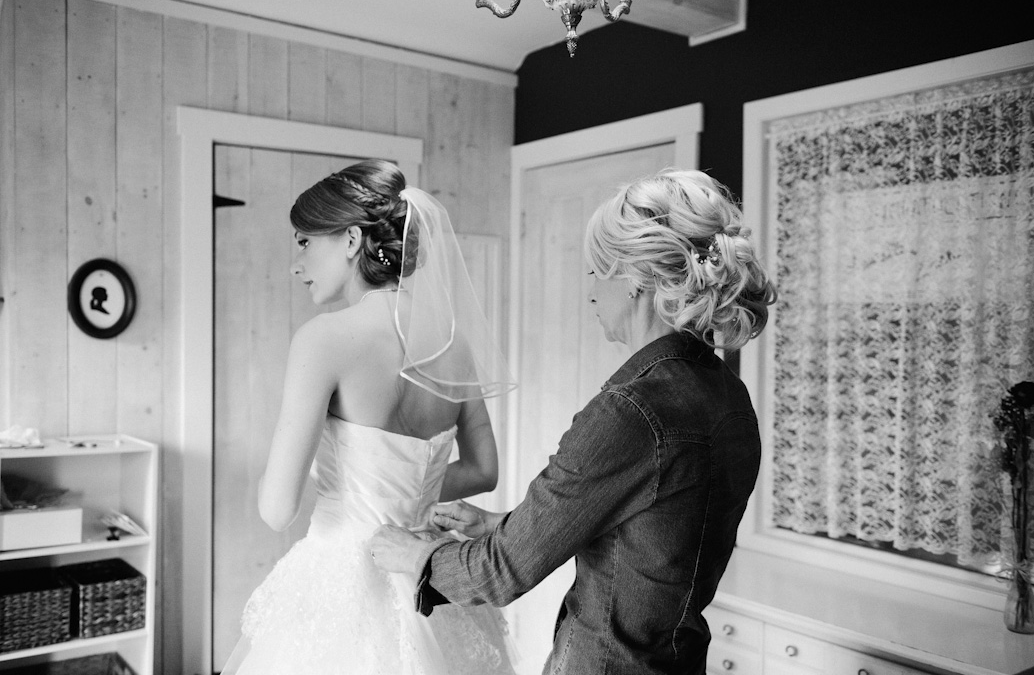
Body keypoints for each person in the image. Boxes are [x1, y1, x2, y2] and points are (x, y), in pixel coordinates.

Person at [371, 168, 777, 675]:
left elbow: (498, 575)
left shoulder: (630, 411)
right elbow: (652, 542)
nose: (589, 291)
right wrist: (506, 525)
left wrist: (415, 556)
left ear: (634, 279)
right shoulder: (728, 396)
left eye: (595, 271)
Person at [222, 159, 518, 675]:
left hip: (340, 580)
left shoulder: (323, 339)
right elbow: (483, 471)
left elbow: (276, 509)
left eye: (305, 242)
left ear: (353, 239)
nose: (297, 264)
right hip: (427, 570)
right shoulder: (451, 341)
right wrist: (404, 494)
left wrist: (339, 482)